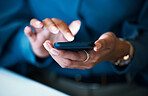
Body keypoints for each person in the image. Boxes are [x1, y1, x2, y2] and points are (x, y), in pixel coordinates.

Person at [0, 0, 148, 95]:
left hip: (127, 88)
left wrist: (122, 50)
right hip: (43, 85)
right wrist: (31, 45)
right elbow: (6, 19)